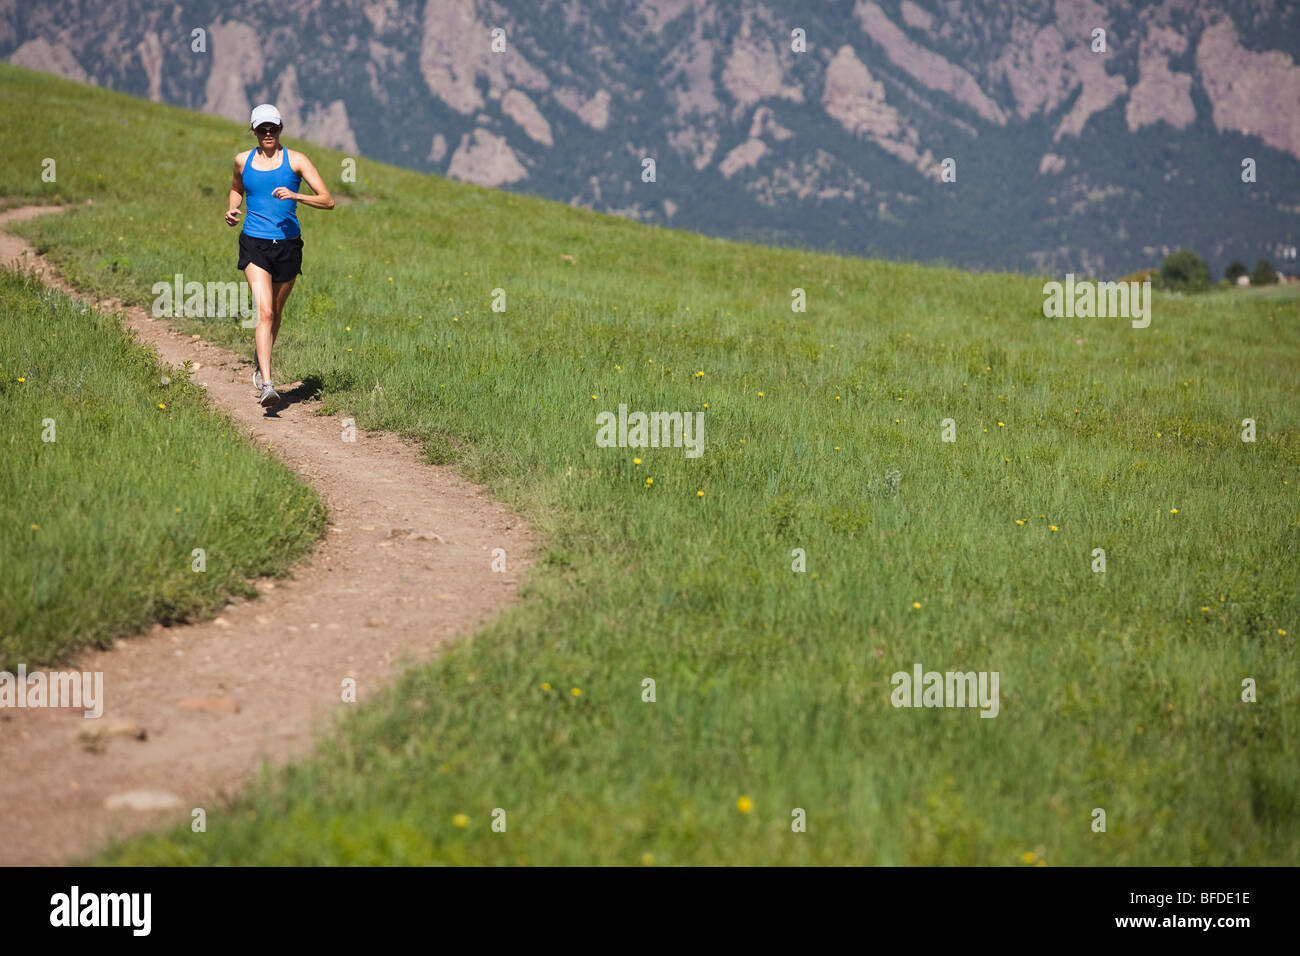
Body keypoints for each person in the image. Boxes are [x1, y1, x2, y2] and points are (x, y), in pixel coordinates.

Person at [224, 104, 334, 407]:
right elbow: (236, 189)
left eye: (273, 128)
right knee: (265, 313)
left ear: (281, 128)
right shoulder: (241, 160)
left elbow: (328, 200)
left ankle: (261, 362)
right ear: (254, 131)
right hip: (254, 244)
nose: (268, 133)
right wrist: (232, 208)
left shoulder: (296, 160)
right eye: (262, 129)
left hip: (288, 246)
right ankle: (268, 385)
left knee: (276, 311)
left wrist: (296, 194)